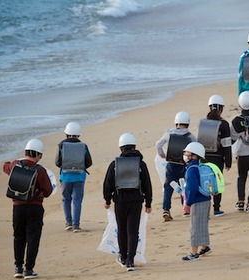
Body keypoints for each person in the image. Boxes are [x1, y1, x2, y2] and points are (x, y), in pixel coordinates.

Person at [3, 139, 53, 279]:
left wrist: (17, 161)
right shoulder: (40, 170)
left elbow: (5, 166)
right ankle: (29, 270)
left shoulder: (15, 165)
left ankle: (18, 268)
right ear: (39, 155)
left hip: (17, 208)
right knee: (33, 239)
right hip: (35, 208)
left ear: (25, 152)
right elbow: (48, 191)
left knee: (18, 237)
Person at [103, 133, 153, 271]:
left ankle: (123, 257)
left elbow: (108, 184)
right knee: (133, 231)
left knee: (122, 230)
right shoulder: (141, 163)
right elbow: (147, 184)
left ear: (121, 148)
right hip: (136, 201)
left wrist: (107, 200)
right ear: (134, 146)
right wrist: (148, 203)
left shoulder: (115, 164)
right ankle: (131, 260)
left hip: (120, 201)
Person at [155, 111, 196, 221]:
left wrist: (162, 155)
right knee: (186, 187)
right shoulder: (191, 137)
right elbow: (196, 149)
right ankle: (186, 208)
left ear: (176, 123)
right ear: (187, 123)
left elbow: (158, 145)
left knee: (168, 187)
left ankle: (166, 209)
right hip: (184, 165)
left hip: (171, 165)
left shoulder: (168, 134)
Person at [55, 122, 93, 232]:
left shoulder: (61, 145)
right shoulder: (83, 146)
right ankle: (76, 225)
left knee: (66, 199)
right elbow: (89, 162)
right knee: (77, 201)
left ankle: (68, 223)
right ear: (78, 135)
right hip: (80, 177)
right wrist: (80, 167)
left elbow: (57, 162)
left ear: (66, 134)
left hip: (66, 177)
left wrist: (66, 167)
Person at [201, 94, 232, 217]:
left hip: (204, 158)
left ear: (210, 108)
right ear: (221, 108)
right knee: (217, 183)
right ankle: (217, 209)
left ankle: (205, 209)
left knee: (205, 183)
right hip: (218, 158)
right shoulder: (223, 124)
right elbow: (226, 144)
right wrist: (228, 161)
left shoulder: (203, 123)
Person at [181, 142, 212, 261]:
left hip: (198, 201)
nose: (184, 154)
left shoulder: (191, 170)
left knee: (195, 226)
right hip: (206, 199)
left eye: (187, 153)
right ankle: (204, 247)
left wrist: (188, 203)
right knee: (202, 225)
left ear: (193, 155)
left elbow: (192, 188)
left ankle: (193, 252)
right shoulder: (199, 167)